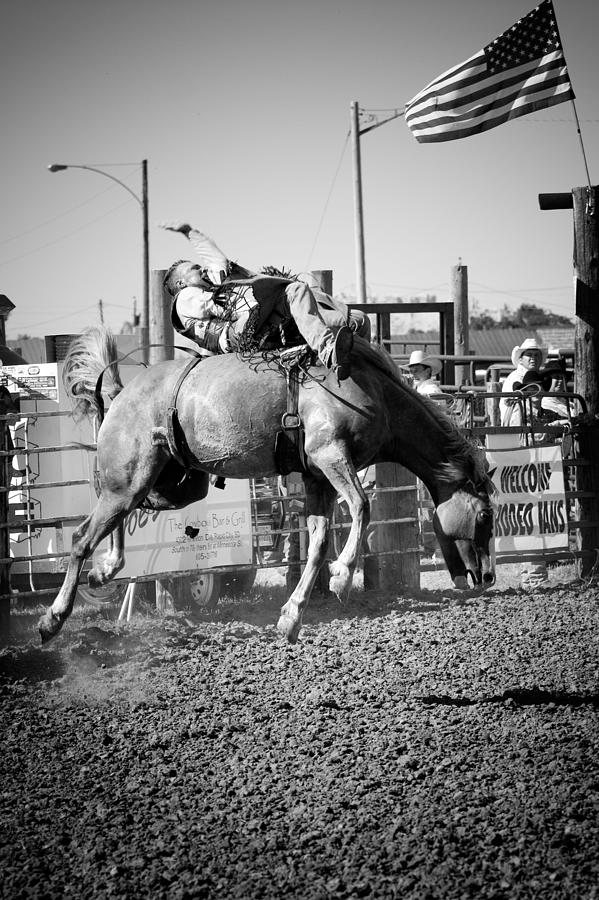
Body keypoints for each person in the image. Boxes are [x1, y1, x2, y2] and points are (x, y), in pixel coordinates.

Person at [160, 223, 371, 380]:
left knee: (356, 321)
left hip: (255, 322)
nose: (200, 268)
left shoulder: (204, 289)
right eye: (193, 268)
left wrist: (191, 233)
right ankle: (328, 352)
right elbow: (220, 304)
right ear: (180, 282)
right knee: (296, 290)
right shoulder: (185, 297)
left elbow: (219, 263)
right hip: (240, 332)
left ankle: (354, 367)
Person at [499, 338, 546, 427]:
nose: (533, 358)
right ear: (520, 359)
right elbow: (519, 411)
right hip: (519, 425)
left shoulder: (536, 376)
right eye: (529, 355)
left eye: (536, 355)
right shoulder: (514, 379)